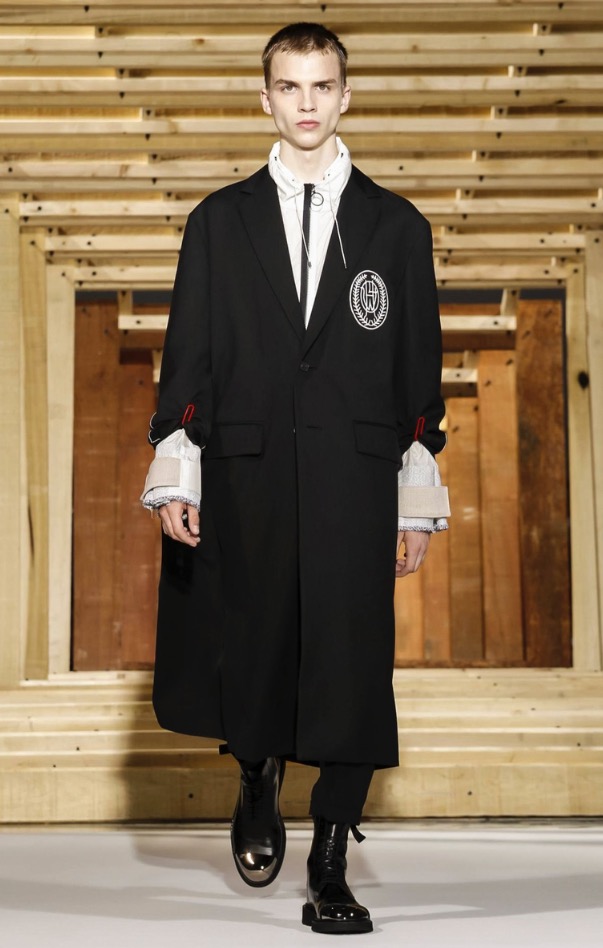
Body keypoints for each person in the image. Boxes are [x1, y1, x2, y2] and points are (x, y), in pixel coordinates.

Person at [141, 22, 449, 936]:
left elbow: (417, 374)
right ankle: (255, 773)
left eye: (322, 86)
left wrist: (416, 502)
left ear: (345, 96)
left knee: (352, 660)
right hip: (248, 469)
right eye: (289, 86)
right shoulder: (218, 221)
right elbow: (189, 355)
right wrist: (177, 469)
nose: (306, 103)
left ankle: (330, 860)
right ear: (265, 97)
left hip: (356, 476)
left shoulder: (396, 228)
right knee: (255, 639)